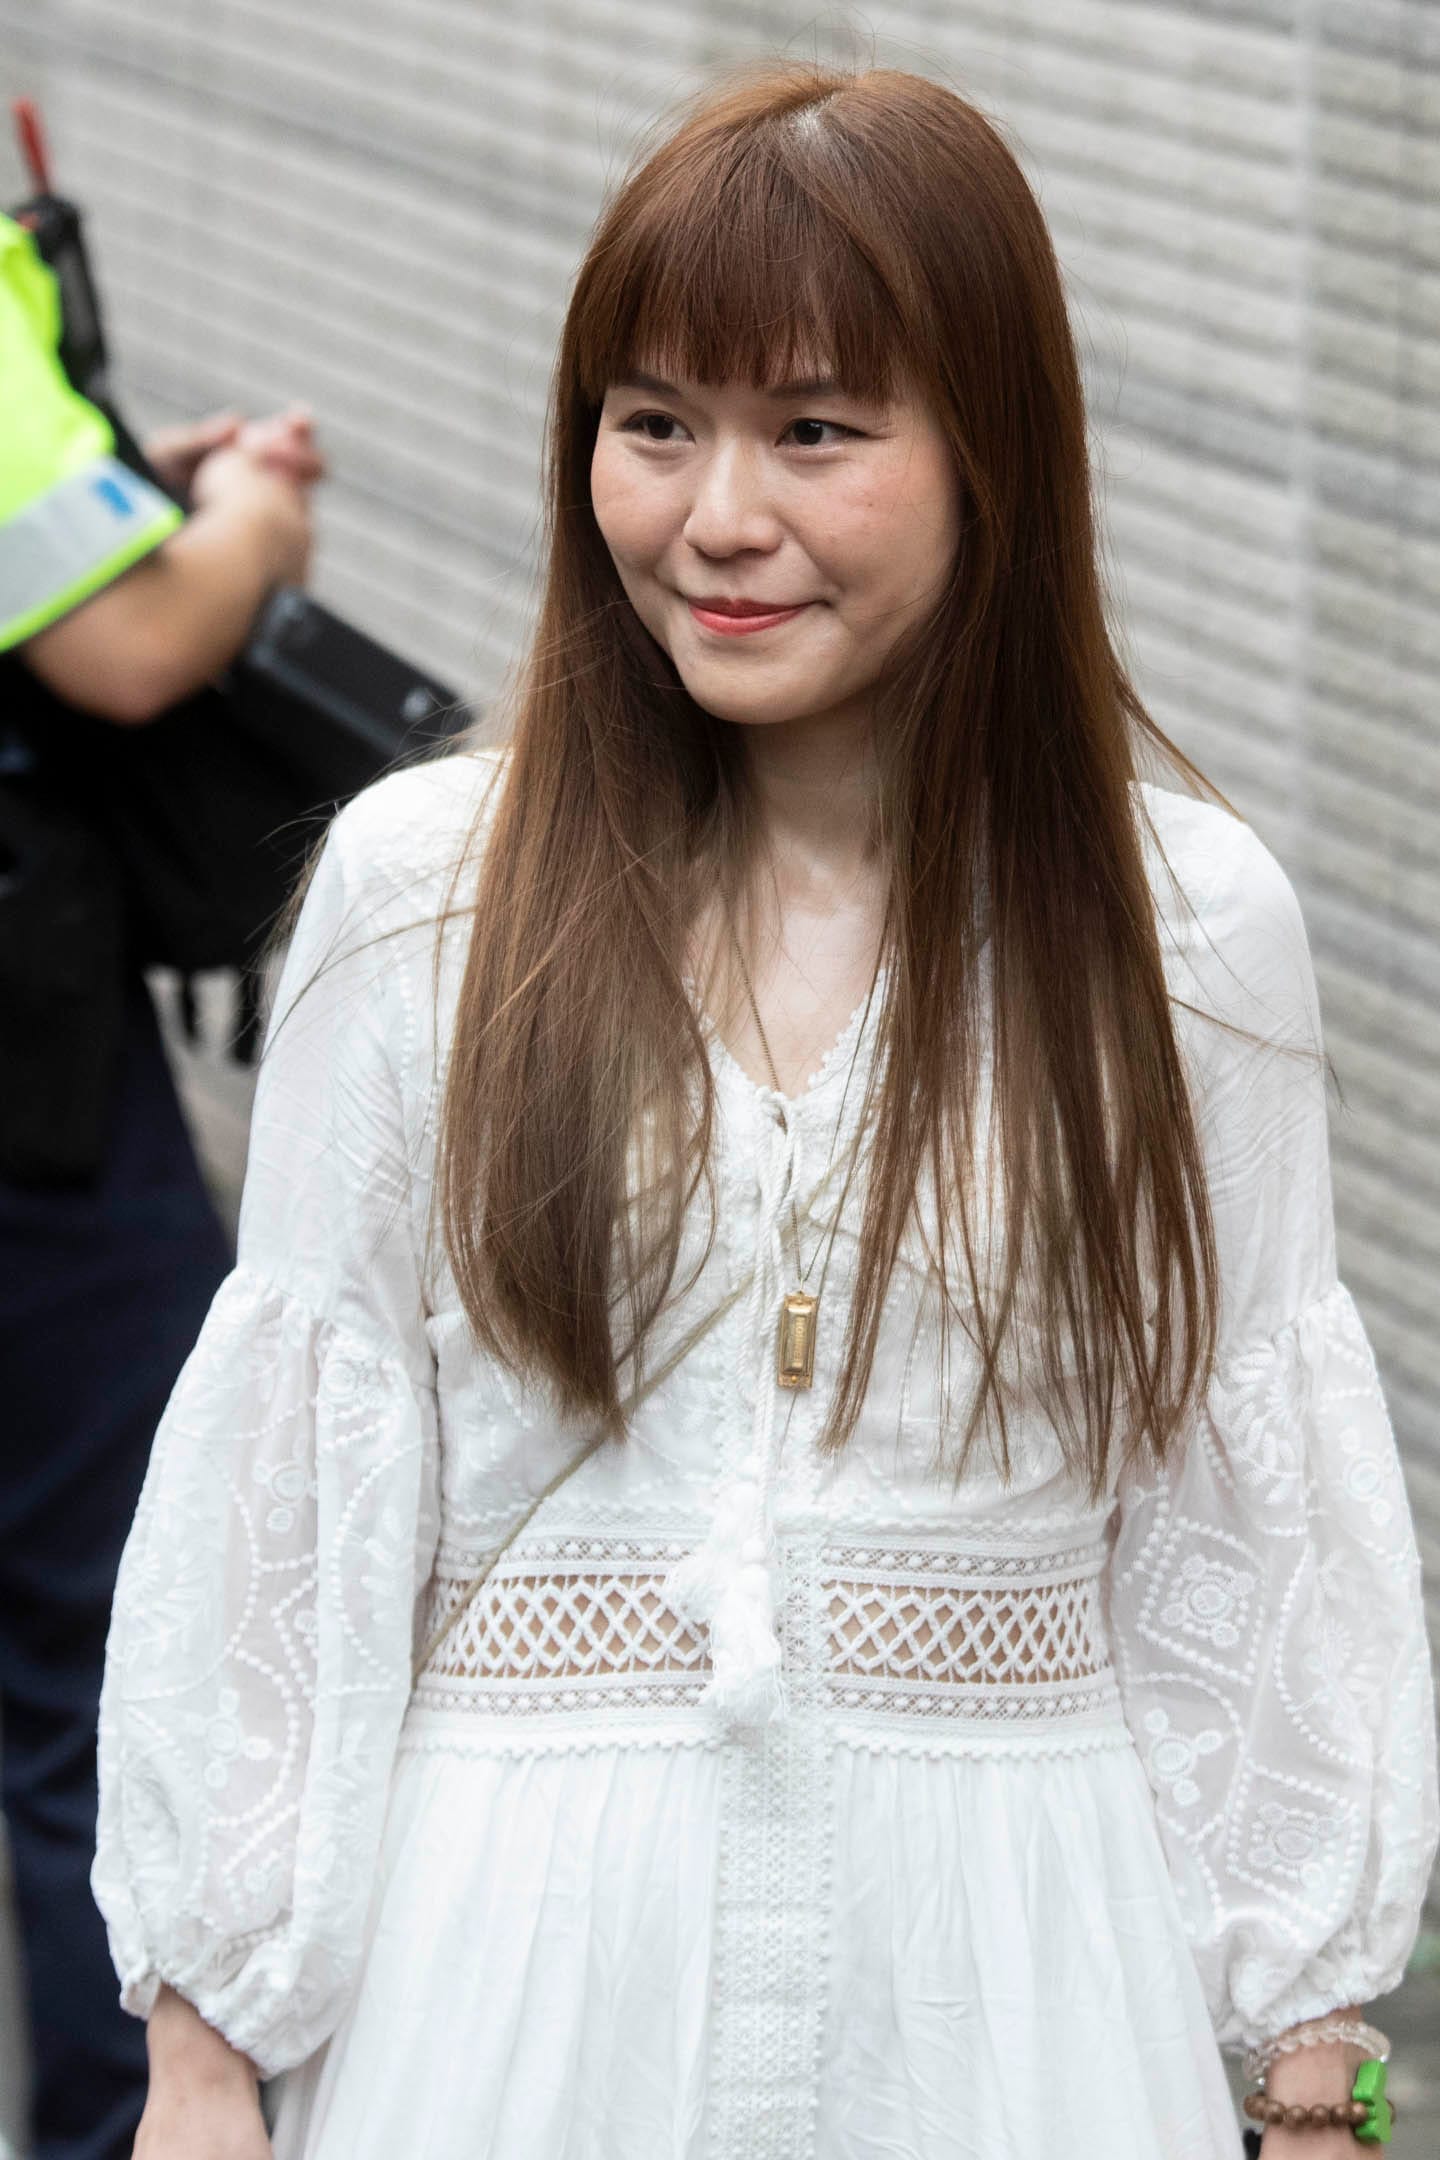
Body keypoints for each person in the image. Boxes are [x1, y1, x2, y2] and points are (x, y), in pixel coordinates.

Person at [95, 64, 1436, 2160]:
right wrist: (202, 2059)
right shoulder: (426, 894)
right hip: (514, 1994)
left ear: (993, 456)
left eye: (816, 430)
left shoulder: (1186, 932)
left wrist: (1312, 2076)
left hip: (1016, 1996)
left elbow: (1244, 1524)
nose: (718, 516)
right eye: (655, 424)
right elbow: (297, 1490)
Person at [0, 199, 324, 2160]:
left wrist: (128, 493)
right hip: (27, 1106)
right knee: (107, 1643)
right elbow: (124, 644)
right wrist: (253, 528)